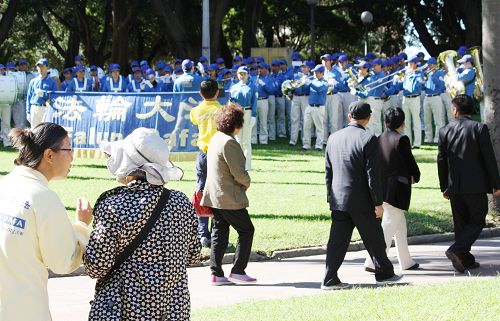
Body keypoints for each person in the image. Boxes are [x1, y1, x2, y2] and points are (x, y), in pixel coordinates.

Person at [84, 128, 200, 320]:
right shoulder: (181, 202)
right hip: (172, 312)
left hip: (123, 310)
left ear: (128, 164)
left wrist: (81, 226)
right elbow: (193, 255)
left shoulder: (114, 205)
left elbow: (97, 266)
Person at [0, 123, 92, 321]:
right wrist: (82, 225)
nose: (72, 157)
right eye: (69, 149)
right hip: (25, 312)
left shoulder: (5, 185)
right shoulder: (43, 198)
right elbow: (62, 262)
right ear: (49, 155)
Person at [322, 101, 403, 290]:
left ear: (349, 116)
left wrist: (330, 198)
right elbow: (372, 174)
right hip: (361, 199)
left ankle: (329, 278)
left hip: (339, 198)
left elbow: (328, 172)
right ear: (368, 118)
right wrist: (378, 202)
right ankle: (384, 273)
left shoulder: (333, 137)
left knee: (337, 241)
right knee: (374, 237)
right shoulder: (368, 139)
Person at [437, 95, 500, 273]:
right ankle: (457, 251)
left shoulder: (444, 130)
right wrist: (496, 183)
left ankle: (465, 259)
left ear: (455, 110)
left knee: (461, 223)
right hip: (476, 184)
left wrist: (444, 187)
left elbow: (441, 160)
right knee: (478, 220)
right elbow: (489, 158)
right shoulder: (479, 128)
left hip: (454, 185)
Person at [201, 103, 256, 286]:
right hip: (229, 197)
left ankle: (216, 272)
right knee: (246, 230)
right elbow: (239, 172)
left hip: (215, 195)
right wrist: (247, 182)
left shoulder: (216, 138)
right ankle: (238, 270)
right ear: (236, 124)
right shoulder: (230, 143)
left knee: (219, 233)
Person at [364, 108, 421, 272]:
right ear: (403, 123)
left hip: (382, 187)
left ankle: (406, 261)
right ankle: (372, 261)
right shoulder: (402, 139)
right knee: (389, 225)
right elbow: (410, 162)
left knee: (399, 225)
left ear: (385, 122)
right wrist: (416, 176)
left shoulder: (378, 138)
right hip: (397, 188)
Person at [190, 79, 223, 247]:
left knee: (201, 190)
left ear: (200, 94)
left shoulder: (196, 110)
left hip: (203, 153)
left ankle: (203, 234)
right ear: (217, 92)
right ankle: (216, 232)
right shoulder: (222, 110)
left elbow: (195, 121)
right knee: (218, 191)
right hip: (218, 153)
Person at [229, 66, 257, 170]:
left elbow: (254, 101)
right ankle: (238, 164)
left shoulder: (252, 86)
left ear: (248, 75)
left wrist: (254, 115)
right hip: (237, 113)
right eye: (240, 73)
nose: (242, 76)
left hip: (248, 112)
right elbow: (230, 102)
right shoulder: (234, 87)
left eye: (244, 74)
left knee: (246, 140)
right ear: (237, 74)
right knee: (238, 140)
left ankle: (247, 165)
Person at [26, 58, 58, 128]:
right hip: (34, 108)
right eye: (38, 66)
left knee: (45, 130)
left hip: (46, 108)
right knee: (34, 130)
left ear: (47, 67)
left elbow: (55, 97)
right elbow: (29, 97)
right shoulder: (33, 81)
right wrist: (28, 112)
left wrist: (44, 94)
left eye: (42, 66)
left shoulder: (52, 82)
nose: (40, 68)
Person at [302, 64, 328, 151]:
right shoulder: (313, 80)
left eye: (316, 72)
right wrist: (303, 83)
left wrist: (310, 83)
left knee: (319, 128)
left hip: (319, 107)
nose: (315, 74)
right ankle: (306, 145)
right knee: (306, 126)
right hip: (309, 106)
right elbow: (305, 90)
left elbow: (319, 89)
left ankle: (319, 145)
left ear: (321, 73)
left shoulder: (325, 82)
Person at [401, 56, 424, 148]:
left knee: (416, 121)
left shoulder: (419, 74)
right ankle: (408, 142)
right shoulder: (406, 74)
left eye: (411, 63)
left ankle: (417, 143)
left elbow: (419, 84)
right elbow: (402, 86)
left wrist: (412, 74)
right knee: (406, 122)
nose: (409, 65)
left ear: (415, 64)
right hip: (405, 98)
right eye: (408, 63)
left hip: (415, 98)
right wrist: (405, 76)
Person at [423, 57, 445, 143]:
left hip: (436, 97)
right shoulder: (427, 74)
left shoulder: (440, 73)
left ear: (435, 65)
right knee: (427, 120)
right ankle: (428, 138)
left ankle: (438, 138)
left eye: (430, 64)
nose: (428, 66)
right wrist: (423, 82)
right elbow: (424, 87)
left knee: (438, 120)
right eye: (428, 65)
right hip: (427, 97)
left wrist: (432, 76)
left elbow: (441, 85)